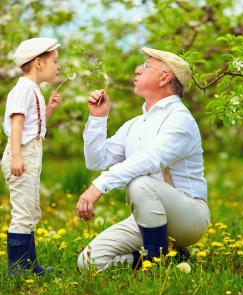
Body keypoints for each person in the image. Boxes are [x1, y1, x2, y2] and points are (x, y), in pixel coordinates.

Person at [76, 47, 210, 271]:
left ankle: (156, 266)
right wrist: (98, 119)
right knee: (88, 262)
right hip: (150, 219)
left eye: (146, 66)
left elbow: (149, 160)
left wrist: (98, 186)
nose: (137, 69)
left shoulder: (180, 119)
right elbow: (97, 160)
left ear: (165, 78)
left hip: (189, 216)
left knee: (140, 182)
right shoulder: (136, 124)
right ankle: (168, 257)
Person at [1, 37, 61, 275]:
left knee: (31, 210)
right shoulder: (23, 89)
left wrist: (50, 110)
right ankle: (17, 269)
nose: (58, 67)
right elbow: (17, 123)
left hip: (30, 154)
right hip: (22, 154)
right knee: (23, 212)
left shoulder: (32, 89)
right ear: (38, 63)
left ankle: (30, 265)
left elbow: (33, 126)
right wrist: (17, 157)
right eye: (54, 62)